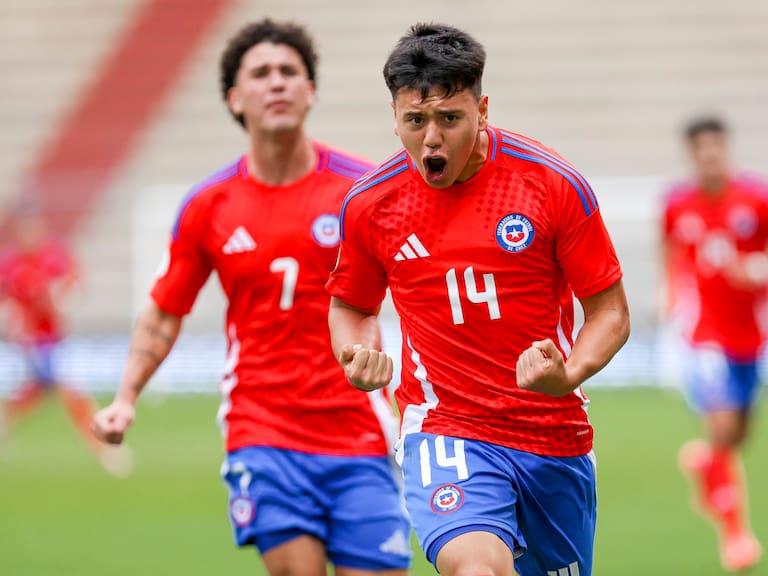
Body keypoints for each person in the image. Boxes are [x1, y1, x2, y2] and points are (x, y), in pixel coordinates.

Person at [90, 19, 411, 576]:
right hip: (263, 429)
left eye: (290, 72)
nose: (277, 83)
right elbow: (166, 312)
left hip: (359, 427)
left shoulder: (363, 191)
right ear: (236, 98)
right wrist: (126, 397)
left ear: (311, 90)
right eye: (261, 73)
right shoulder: (209, 205)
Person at [327, 23, 630, 576]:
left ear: (482, 108)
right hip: (446, 427)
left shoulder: (550, 184)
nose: (431, 139)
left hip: (551, 433)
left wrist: (568, 374)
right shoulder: (373, 204)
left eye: (449, 118)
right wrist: (355, 355)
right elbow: (351, 306)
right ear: (395, 117)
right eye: (415, 121)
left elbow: (609, 312)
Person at [663, 116, 765, 572]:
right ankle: (736, 534)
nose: (709, 155)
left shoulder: (756, 199)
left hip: (751, 334)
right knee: (722, 429)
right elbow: (670, 253)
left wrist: (758, 269)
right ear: (692, 154)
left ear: (725, 149)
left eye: (715, 147)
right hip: (703, 335)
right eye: (700, 148)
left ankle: (707, 465)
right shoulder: (677, 205)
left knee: (738, 437)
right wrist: (666, 296)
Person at [0, 207, 132, 476]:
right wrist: (10, 318)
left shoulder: (52, 257)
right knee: (71, 393)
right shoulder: (9, 263)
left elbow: (74, 283)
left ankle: (4, 418)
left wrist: (63, 296)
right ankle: (105, 447)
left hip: (53, 339)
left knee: (38, 391)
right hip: (31, 343)